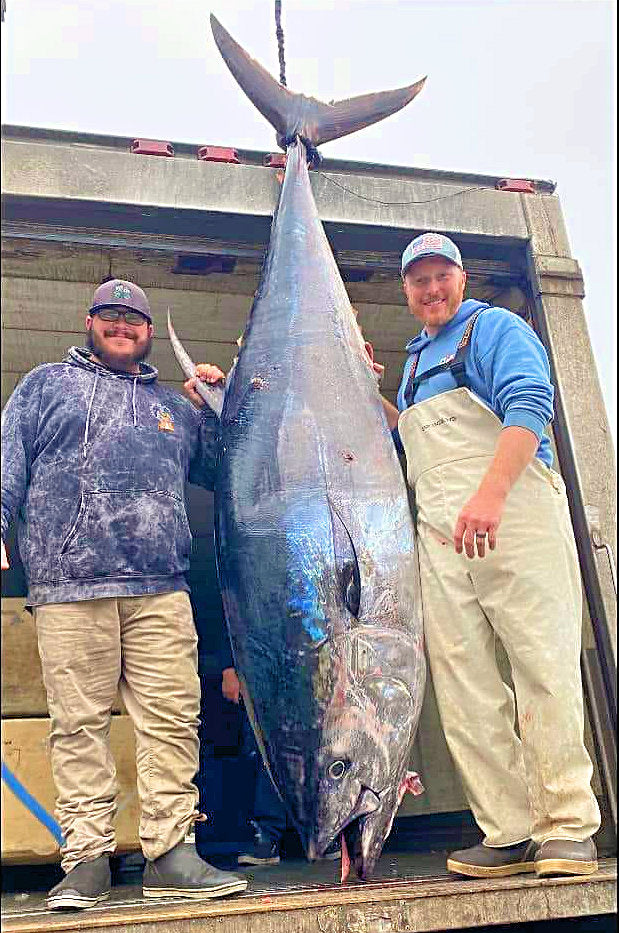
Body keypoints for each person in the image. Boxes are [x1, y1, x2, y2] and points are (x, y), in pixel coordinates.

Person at [0, 279, 247, 910]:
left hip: (162, 589)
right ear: (89, 321)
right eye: (110, 315)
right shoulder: (44, 385)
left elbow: (226, 469)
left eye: (133, 318)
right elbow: (8, 462)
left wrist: (216, 403)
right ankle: (87, 861)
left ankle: (171, 854)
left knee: (171, 721)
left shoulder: (172, 407)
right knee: (78, 725)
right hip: (69, 586)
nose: (121, 325)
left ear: (145, 332)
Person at [378, 232, 600, 878]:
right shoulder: (416, 359)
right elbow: (410, 436)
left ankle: (565, 825)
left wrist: (490, 494)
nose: (431, 288)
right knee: (463, 678)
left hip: (510, 514)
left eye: (440, 275)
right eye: (417, 280)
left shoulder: (492, 327)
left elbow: (530, 405)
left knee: (539, 662)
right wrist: (372, 393)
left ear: (460, 276)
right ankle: (506, 828)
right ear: (405, 289)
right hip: (442, 532)